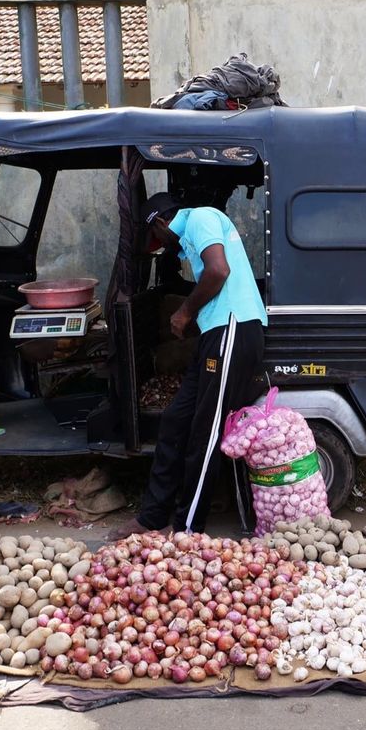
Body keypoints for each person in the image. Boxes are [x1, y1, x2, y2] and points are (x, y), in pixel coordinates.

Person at [110, 192, 267, 538]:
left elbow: (218, 270)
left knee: (205, 436)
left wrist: (184, 312)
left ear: (163, 223)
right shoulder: (192, 232)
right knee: (175, 423)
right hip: (216, 335)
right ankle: (153, 517)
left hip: (233, 329)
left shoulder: (200, 217)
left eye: (157, 240)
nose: (162, 247)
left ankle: (187, 530)